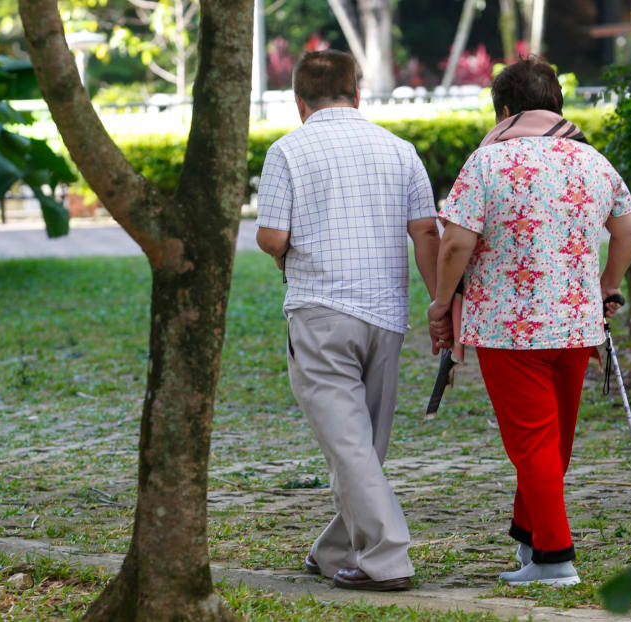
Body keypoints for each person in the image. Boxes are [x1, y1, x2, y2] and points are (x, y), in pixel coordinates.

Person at [427, 58, 631, 587]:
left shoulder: (487, 162)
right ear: (556, 106)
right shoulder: (593, 161)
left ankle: (555, 558)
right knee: (553, 444)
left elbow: (455, 241)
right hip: (576, 324)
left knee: (532, 445)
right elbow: (630, 228)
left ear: (505, 110)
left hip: (507, 326)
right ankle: (529, 544)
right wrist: (607, 284)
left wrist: (439, 303)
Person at [256, 50, 440, 592]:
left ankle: (388, 558)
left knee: (351, 447)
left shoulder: (287, 150)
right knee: (362, 447)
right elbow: (426, 232)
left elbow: (272, 238)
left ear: (298, 102)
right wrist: (440, 303)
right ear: (358, 94)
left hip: (320, 312)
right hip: (385, 314)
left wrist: (282, 249)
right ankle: (336, 547)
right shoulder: (399, 149)